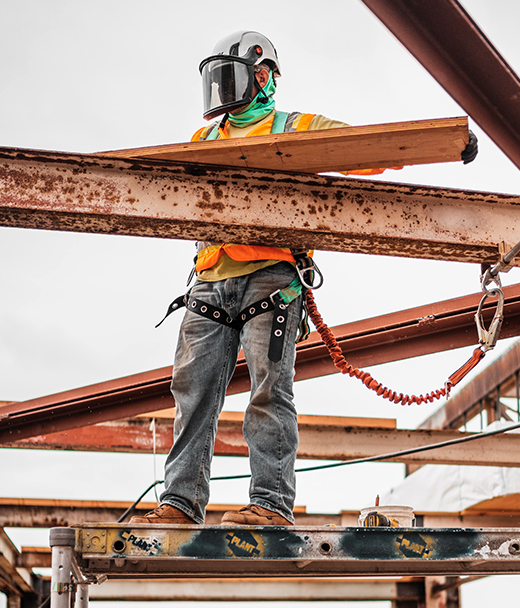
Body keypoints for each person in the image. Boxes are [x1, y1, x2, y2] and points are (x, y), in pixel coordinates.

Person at [131, 31, 477, 527]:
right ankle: (180, 504)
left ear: (263, 75)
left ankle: (270, 504)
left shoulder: (297, 128)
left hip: (271, 281)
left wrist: (442, 144)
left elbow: (365, 149)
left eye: (230, 76)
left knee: (271, 390)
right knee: (193, 392)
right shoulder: (205, 139)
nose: (221, 90)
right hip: (209, 281)